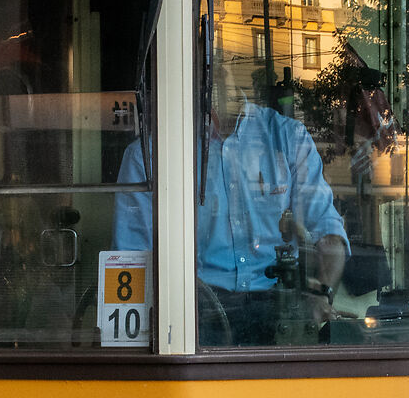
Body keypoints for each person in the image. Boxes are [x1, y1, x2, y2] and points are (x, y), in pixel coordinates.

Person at [115, 60, 348, 346]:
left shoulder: (288, 138)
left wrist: (321, 295)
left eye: (218, 62)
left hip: (279, 305)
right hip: (194, 311)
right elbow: (133, 256)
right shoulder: (149, 155)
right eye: (200, 62)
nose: (211, 79)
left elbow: (329, 231)